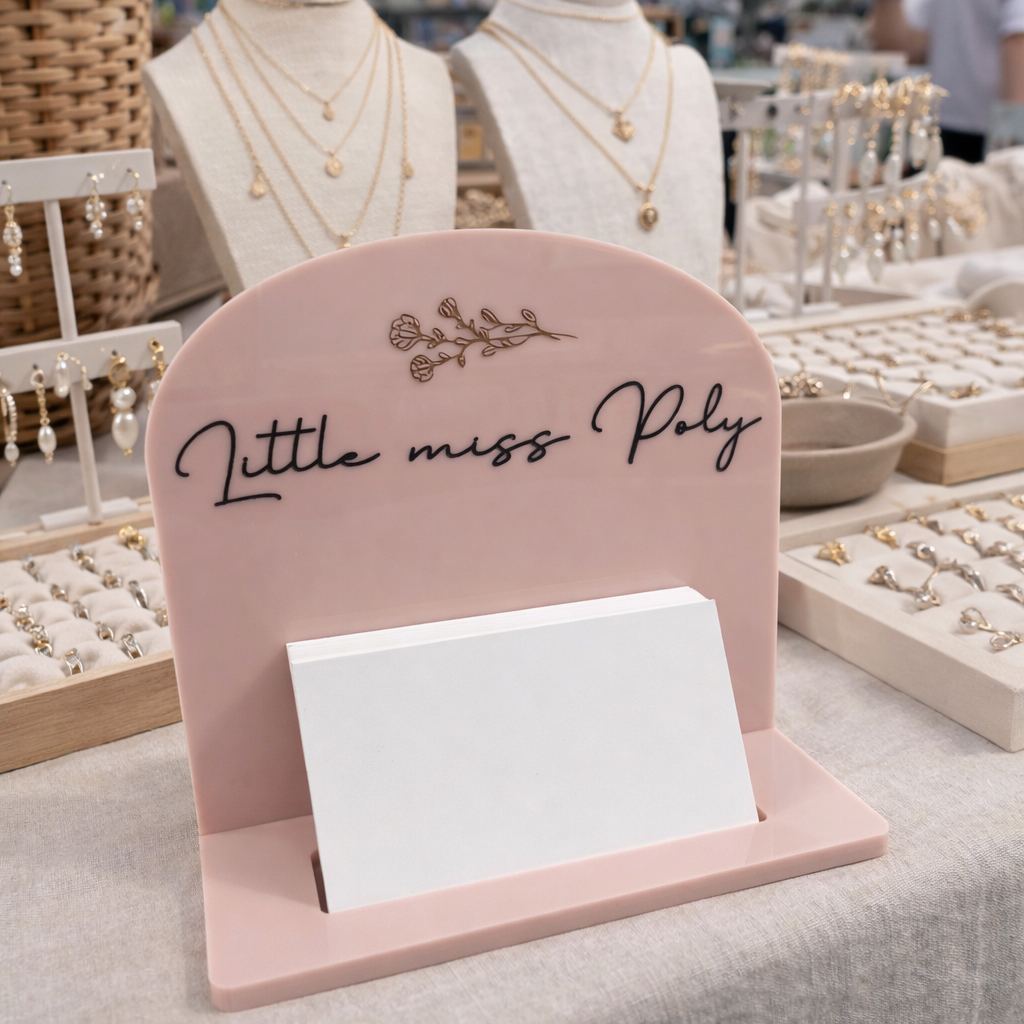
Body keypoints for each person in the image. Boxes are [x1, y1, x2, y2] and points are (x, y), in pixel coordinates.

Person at [870, 0, 1024, 162]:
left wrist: (1010, 151)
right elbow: (909, 49)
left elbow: (1018, 48)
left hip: (990, 138)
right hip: (941, 127)